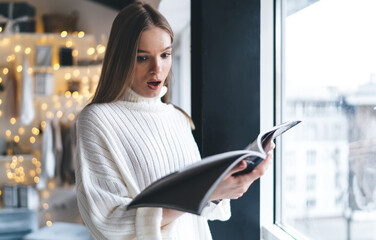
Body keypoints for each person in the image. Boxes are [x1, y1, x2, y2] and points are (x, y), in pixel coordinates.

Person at [75, 2, 274, 240]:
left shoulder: (177, 118)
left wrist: (224, 186)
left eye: (165, 55)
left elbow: (193, 215)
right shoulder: (97, 120)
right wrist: (203, 193)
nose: (157, 68)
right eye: (142, 58)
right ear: (121, 59)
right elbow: (109, 222)